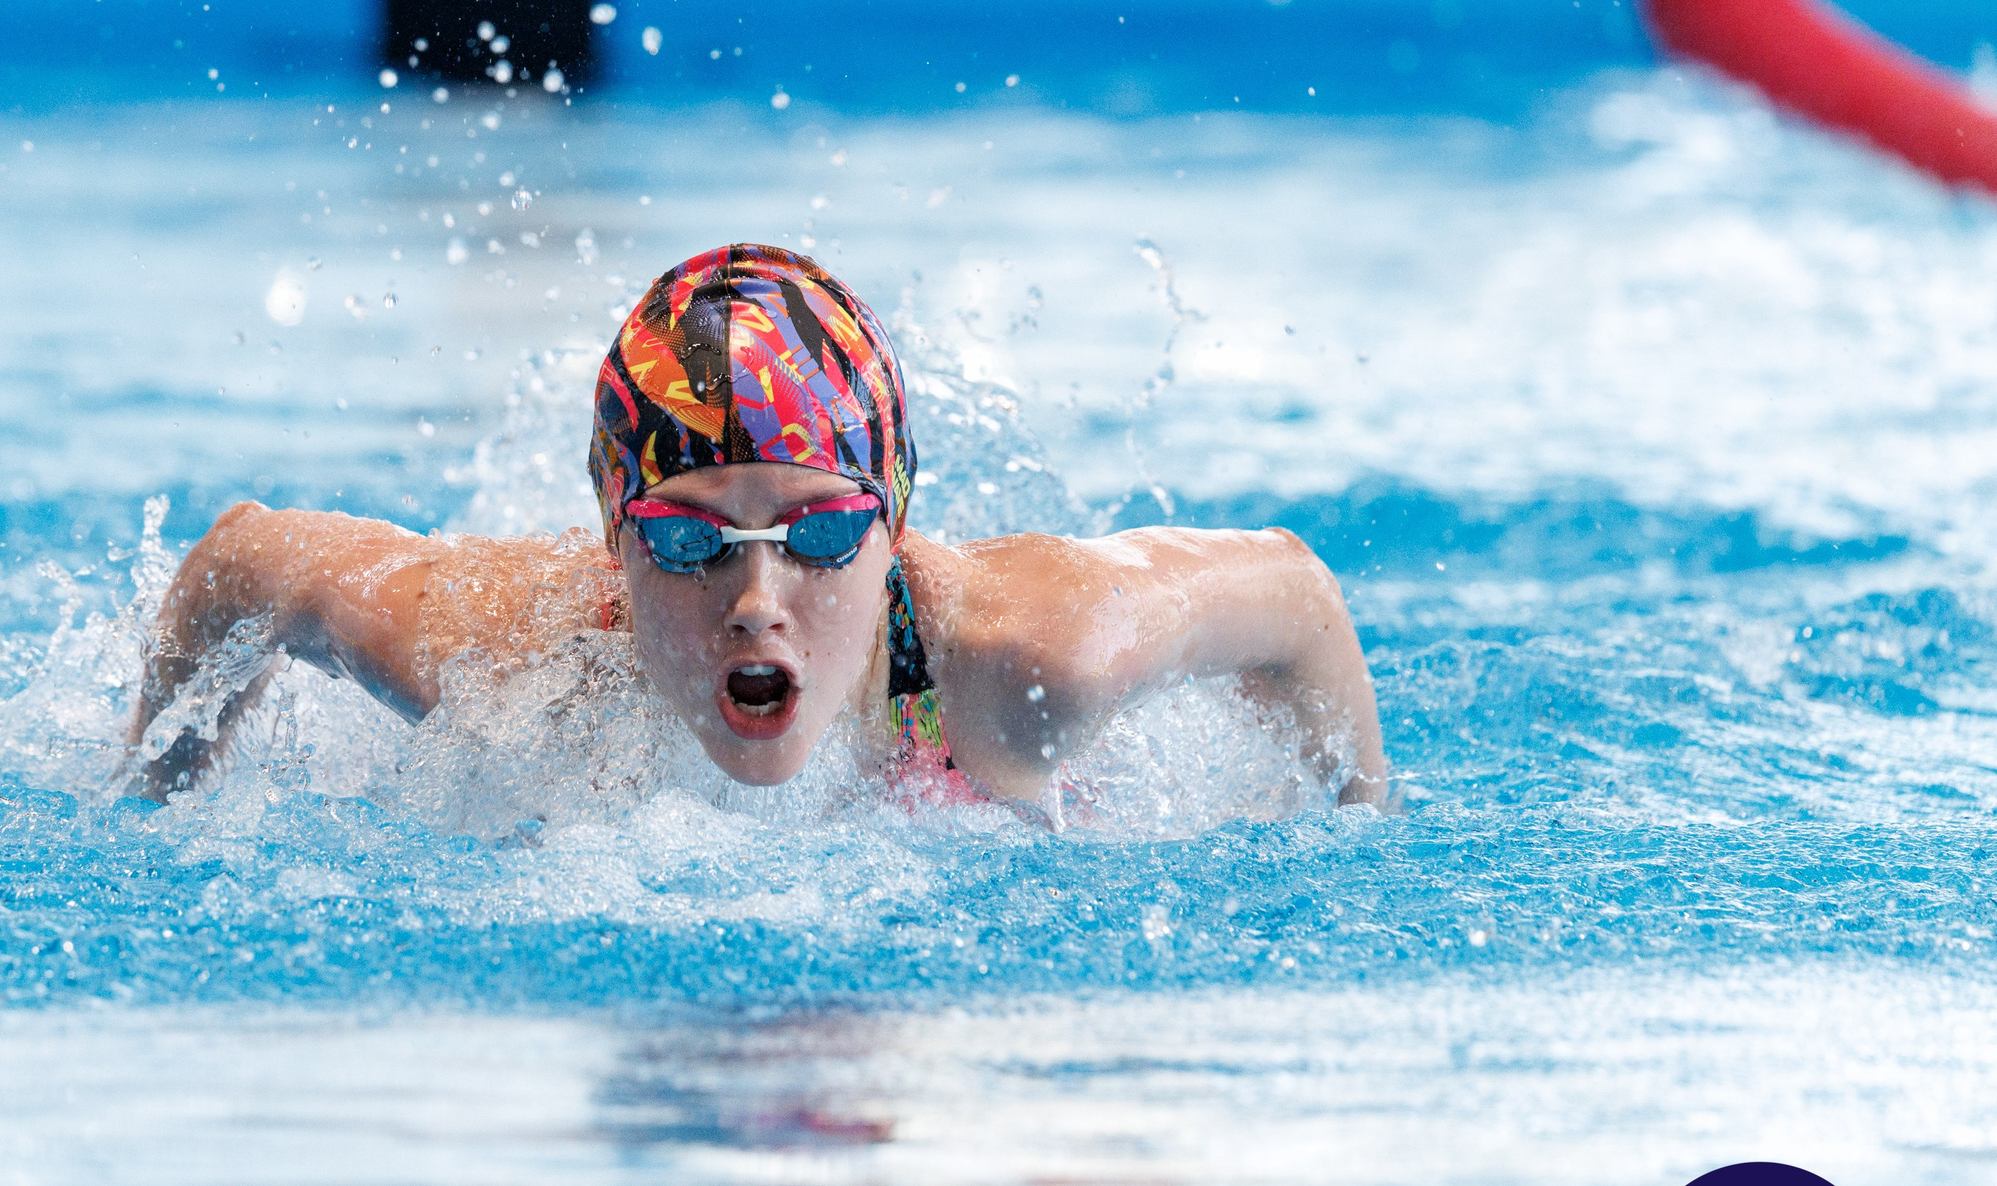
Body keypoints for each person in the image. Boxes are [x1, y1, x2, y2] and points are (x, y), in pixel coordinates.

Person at [129, 243, 1387, 809]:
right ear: (614, 536)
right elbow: (246, 558)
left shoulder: (1032, 661)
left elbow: (1296, 594)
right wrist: (149, 800)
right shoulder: (510, 667)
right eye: (689, 540)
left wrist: (1348, 827)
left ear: (894, 519)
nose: (755, 598)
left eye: (821, 534)